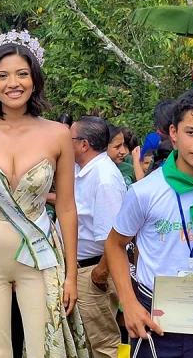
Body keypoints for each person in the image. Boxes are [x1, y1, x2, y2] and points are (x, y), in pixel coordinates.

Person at [0, 31, 86, 357]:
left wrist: (71, 275)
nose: (14, 83)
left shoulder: (57, 134)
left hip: (40, 252)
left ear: (35, 80)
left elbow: (66, 208)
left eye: (22, 74)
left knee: (45, 348)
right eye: (3, 75)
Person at [106, 88, 193, 357]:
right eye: (191, 132)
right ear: (173, 133)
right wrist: (129, 303)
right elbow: (115, 245)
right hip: (154, 319)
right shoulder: (145, 191)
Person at [71, 117, 126, 358]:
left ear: (84, 144)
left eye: (69, 138)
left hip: (93, 271)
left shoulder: (104, 179)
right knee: (87, 342)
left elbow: (115, 239)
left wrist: (99, 275)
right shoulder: (82, 169)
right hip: (80, 269)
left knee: (104, 344)